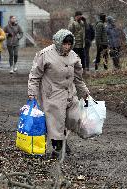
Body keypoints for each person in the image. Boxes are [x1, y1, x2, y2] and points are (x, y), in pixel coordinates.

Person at [28, 29, 90, 158]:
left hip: (69, 94)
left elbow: (78, 77)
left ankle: (63, 141)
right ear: (58, 42)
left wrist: (84, 92)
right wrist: (32, 93)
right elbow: (35, 76)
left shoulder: (73, 56)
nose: (67, 47)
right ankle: (57, 148)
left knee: (73, 118)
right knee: (55, 122)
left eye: (69, 44)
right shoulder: (45, 54)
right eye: (64, 43)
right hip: (52, 94)